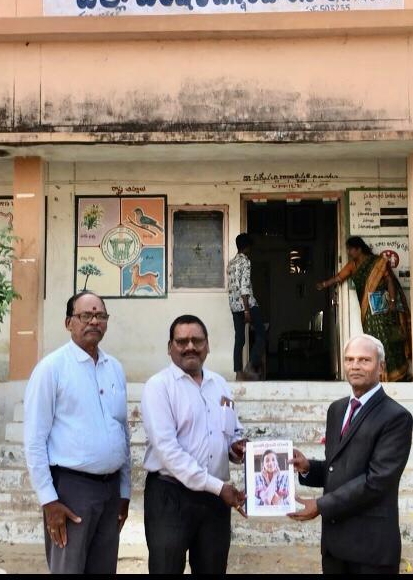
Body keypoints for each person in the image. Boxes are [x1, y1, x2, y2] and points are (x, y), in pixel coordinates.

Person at [23, 292, 131, 574]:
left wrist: (124, 491)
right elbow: (35, 441)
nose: (94, 321)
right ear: (68, 322)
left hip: (109, 491)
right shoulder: (51, 369)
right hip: (71, 492)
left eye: (100, 316)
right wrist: (49, 501)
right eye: (86, 315)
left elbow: (122, 431)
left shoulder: (115, 369)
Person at [288, 334, 413, 575]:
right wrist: (307, 468)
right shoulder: (336, 410)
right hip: (335, 547)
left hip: (371, 548)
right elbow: (338, 468)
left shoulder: (396, 417)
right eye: (349, 359)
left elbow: (377, 481)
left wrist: (321, 506)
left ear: (381, 366)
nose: (355, 366)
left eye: (364, 360)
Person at [140, 314, 248, 574]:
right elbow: (168, 451)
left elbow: (232, 431)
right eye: (182, 341)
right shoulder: (159, 387)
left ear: (207, 345)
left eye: (197, 340)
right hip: (170, 497)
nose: (190, 347)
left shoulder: (219, 384)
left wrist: (238, 448)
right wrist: (219, 487)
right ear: (170, 347)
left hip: (214, 502)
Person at [317, 236, 411, 382]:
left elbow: (390, 281)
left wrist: (392, 302)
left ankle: (397, 375)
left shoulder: (378, 262)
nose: (348, 252)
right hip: (368, 311)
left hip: (385, 310)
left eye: (350, 249)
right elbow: (339, 278)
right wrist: (324, 284)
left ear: (359, 249)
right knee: (374, 342)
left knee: (390, 341)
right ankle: (379, 375)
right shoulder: (352, 265)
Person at [227, 233, 266, 381]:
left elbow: (231, 287)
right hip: (247, 304)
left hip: (234, 305)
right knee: (261, 333)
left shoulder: (231, 263)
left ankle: (238, 372)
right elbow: (244, 286)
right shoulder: (245, 261)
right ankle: (251, 365)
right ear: (248, 247)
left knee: (240, 339)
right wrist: (247, 310)